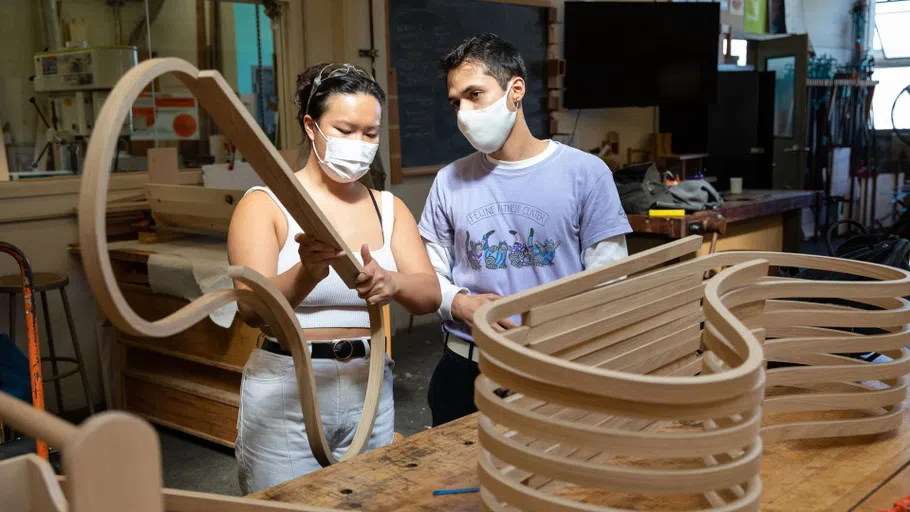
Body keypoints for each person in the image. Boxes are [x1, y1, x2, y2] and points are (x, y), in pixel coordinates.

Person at [227, 62, 441, 493]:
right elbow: (251, 309)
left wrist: (393, 283)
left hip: (369, 384)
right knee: (287, 502)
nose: (359, 144)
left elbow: (430, 294)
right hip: (287, 387)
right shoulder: (264, 204)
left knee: (370, 500)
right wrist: (307, 271)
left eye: (370, 133)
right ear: (311, 126)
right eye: (344, 130)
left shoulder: (388, 208)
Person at [419, 34, 632, 427]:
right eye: (456, 102)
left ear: (515, 90)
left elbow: (609, 281)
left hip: (554, 372)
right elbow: (428, 274)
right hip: (464, 372)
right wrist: (460, 303)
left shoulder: (586, 174)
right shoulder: (449, 181)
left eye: (475, 95)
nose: (464, 112)